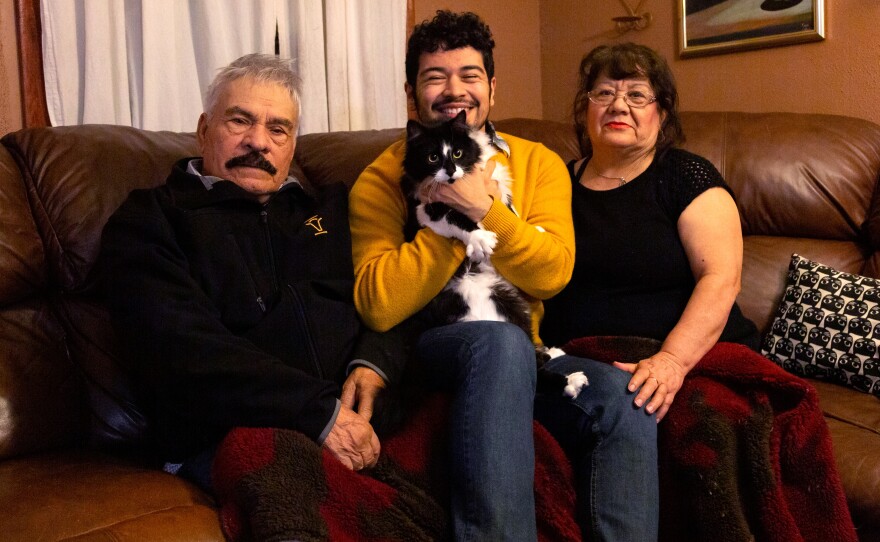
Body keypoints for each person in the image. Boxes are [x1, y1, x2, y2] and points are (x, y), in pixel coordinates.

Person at [349, 11, 659, 541]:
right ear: (410, 92)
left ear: (491, 87)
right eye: (434, 76)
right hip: (439, 345)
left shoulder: (539, 163)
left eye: (469, 75)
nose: (454, 91)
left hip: (524, 348)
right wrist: (452, 216)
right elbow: (378, 301)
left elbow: (553, 273)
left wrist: (489, 211)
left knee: (624, 398)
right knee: (498, 344)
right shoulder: (380, 178)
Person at [99, 53, 406, 491]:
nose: (258, 142)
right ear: (204, 131)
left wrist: (375, 361)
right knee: (293, 485)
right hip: (232, 434)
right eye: (240, 121)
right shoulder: (150, 219)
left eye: (277, 129)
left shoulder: (329, 210)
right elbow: (182, 350)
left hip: (361, 423)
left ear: (293, 146)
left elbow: (393, 292)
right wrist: (319, 414)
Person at [541, 42, 760, 423]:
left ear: (662, 113)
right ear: (586, 108)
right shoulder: (554, 182)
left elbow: (722, 278)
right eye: (604, 93)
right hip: (579, 363)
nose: (618, 105)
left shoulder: (685, 176)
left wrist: (671, 361)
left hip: (682, 360)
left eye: (637, 95)